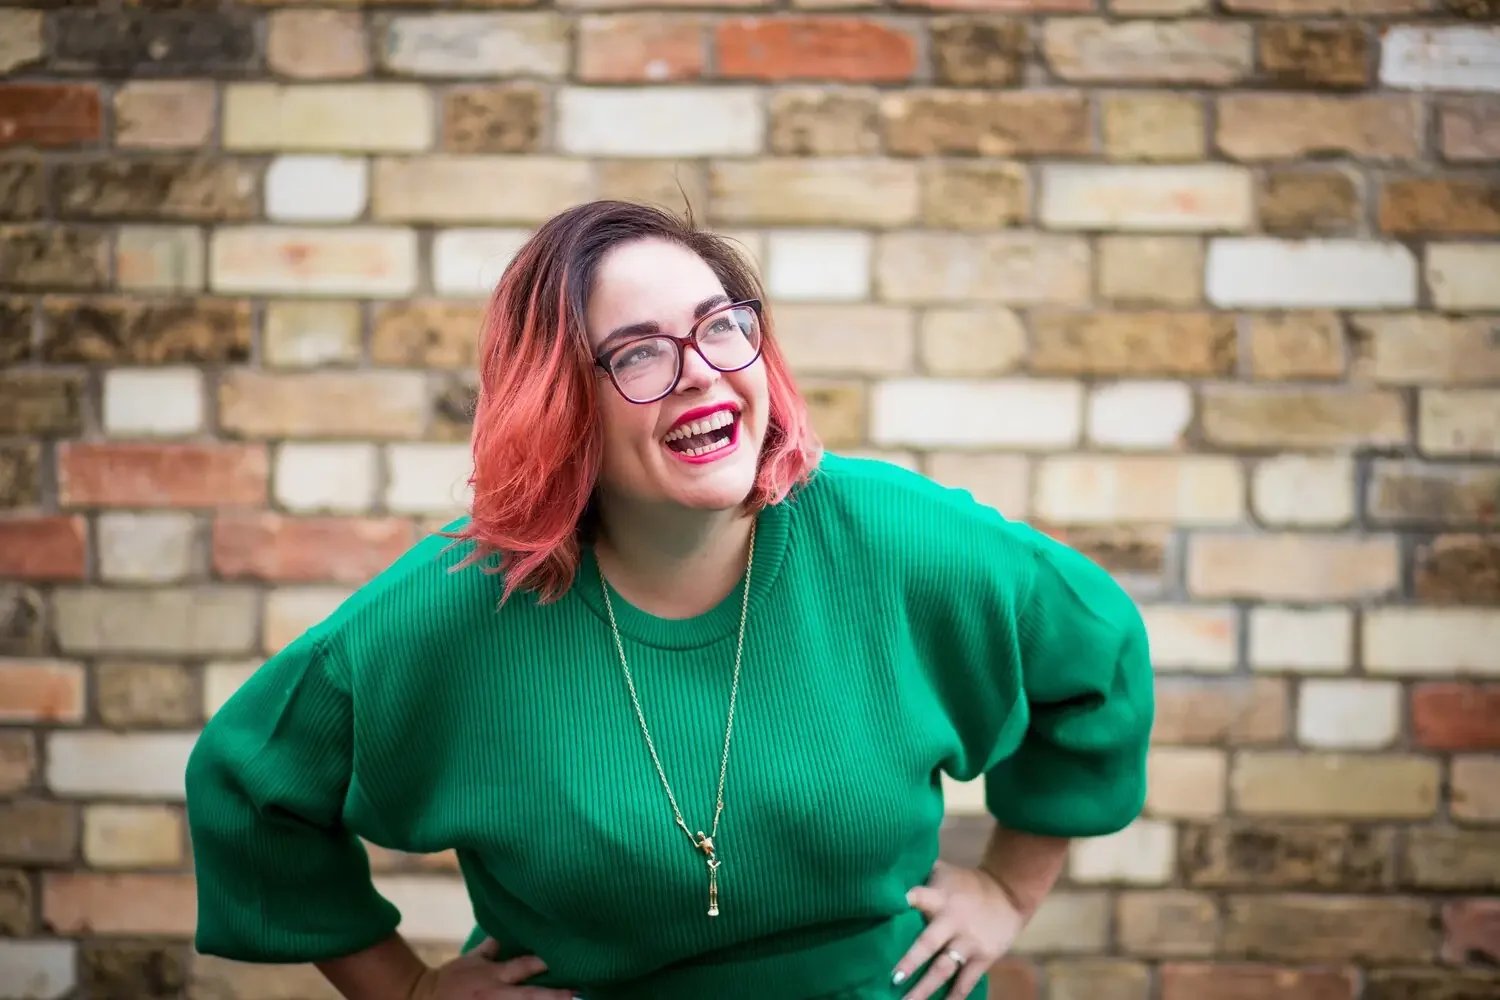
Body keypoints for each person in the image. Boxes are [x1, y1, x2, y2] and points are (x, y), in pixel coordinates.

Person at [184, 200, 1155, 1000]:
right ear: (559, 400)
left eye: (721, 325)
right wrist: (402, 989)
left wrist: (1006, 889)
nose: (702, 370)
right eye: (639, 352)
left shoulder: (891, 536)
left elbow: (1095, 652)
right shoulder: (455, 610)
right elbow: (247, 786)